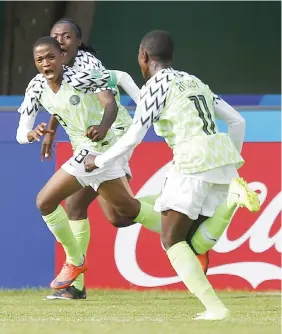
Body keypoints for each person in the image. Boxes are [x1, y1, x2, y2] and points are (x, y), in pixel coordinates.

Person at [83, 30, 260, 320]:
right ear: (171, 56)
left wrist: (98, 160)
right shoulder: (192, 80)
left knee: (170, 239)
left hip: (191, 161)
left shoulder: (156, 86)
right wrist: (232, 165)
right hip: (222, 160)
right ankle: (230, 199)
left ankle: (215, 308)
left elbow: (133, 137)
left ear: (143, 56)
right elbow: (237, 121)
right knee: (191, 241)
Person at [17, 36, 162, 297]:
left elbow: (110, 102)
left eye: (51, 56)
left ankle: (75, 262)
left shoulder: (82, 75)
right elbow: (21, 132)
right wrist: (32, 134)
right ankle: (185, 223)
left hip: (100, 147)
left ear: (62, 57)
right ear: (35, 63)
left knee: (45, 201)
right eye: (40, 59)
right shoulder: (36, 87)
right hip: (87, 151)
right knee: (125, 211)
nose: (46, 63)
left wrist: (104, 126)